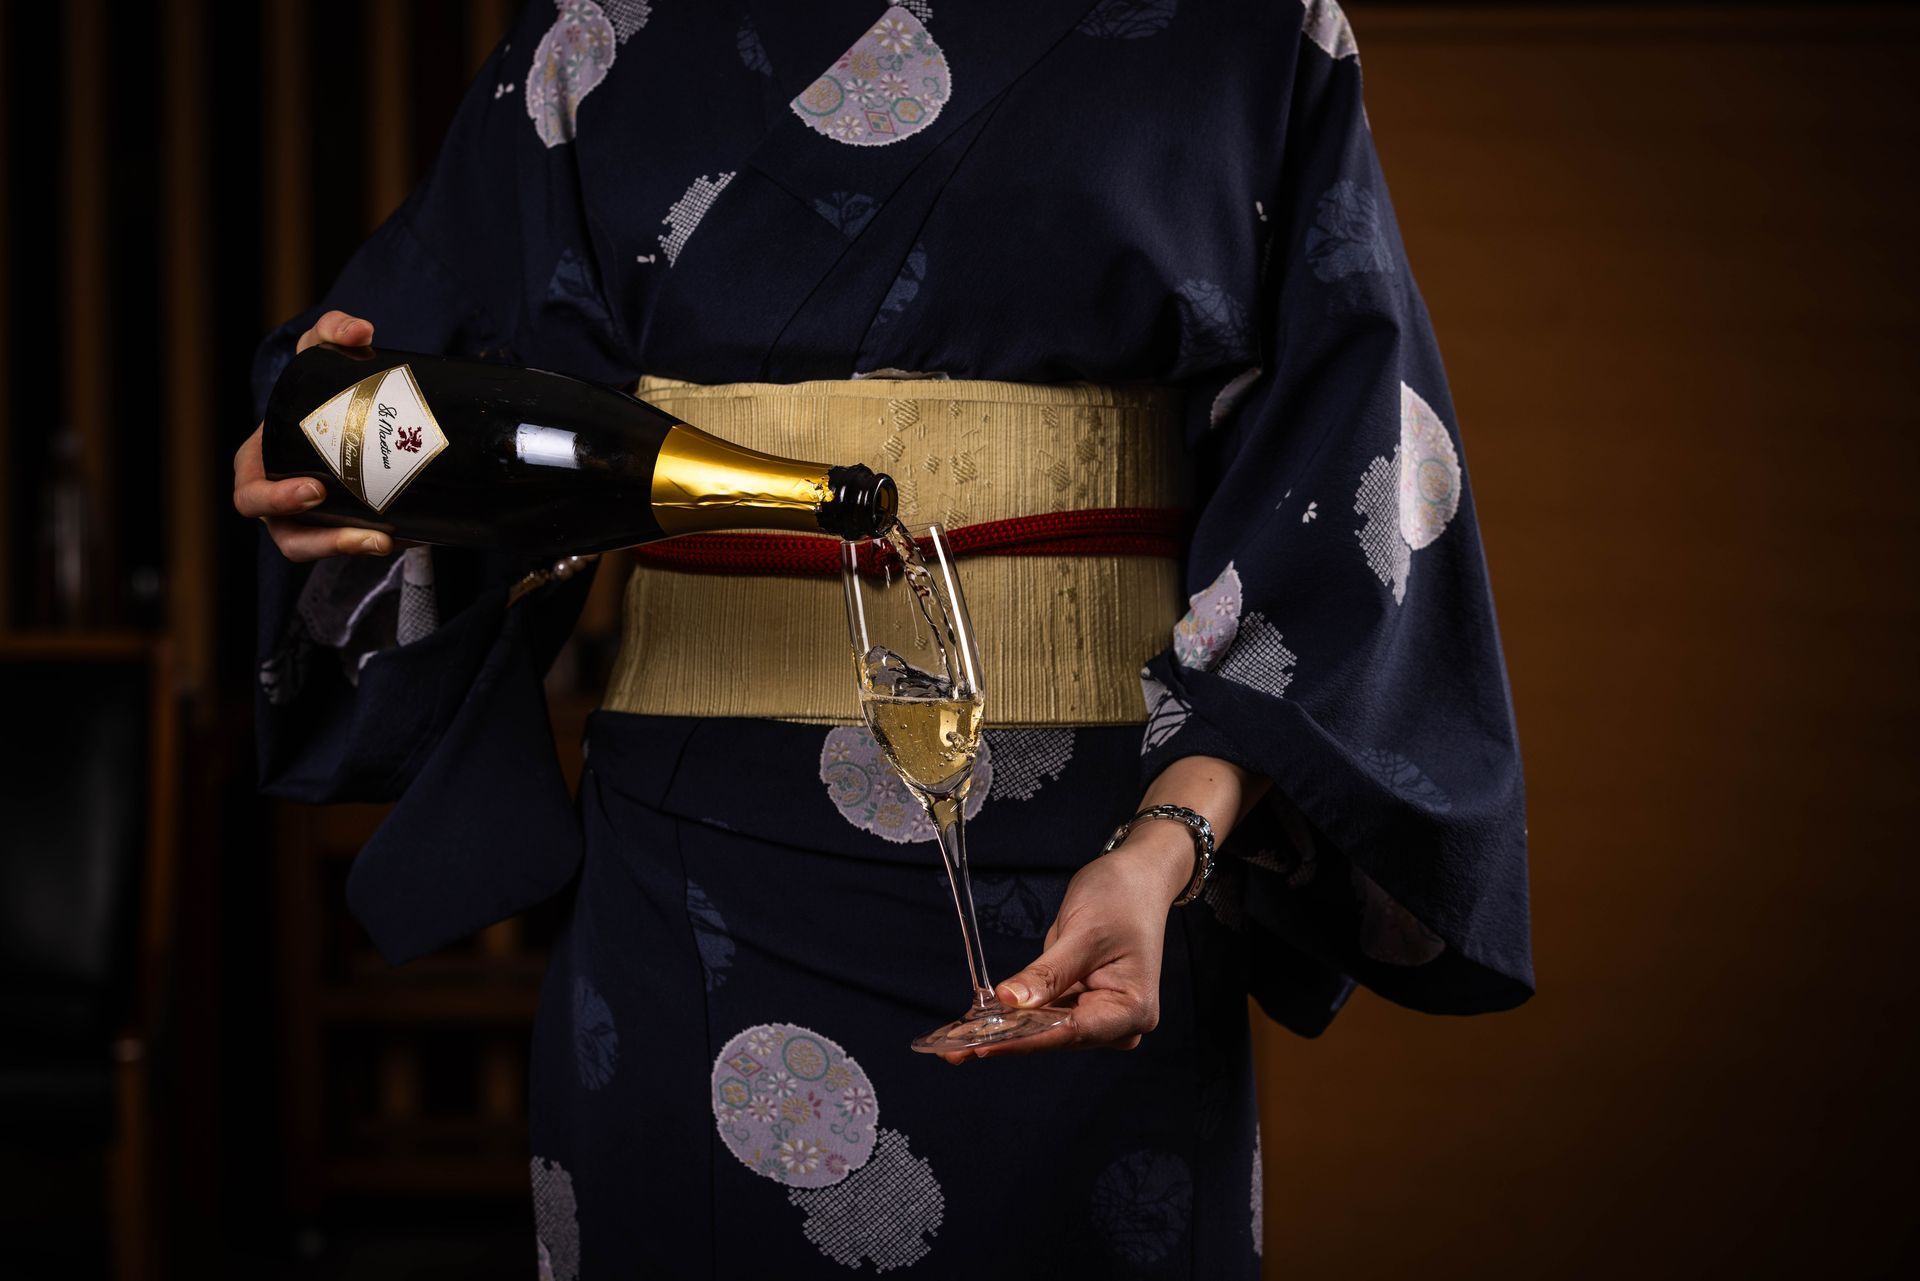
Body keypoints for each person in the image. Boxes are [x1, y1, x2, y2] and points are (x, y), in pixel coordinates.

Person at [233, 2, 1531, 1275]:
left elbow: (1345, 479)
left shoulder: (1247, 29)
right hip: (692, 873)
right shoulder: (601, 27)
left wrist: (1168, 843)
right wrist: (324, 452)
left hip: (1104, 873)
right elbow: (430, 381)